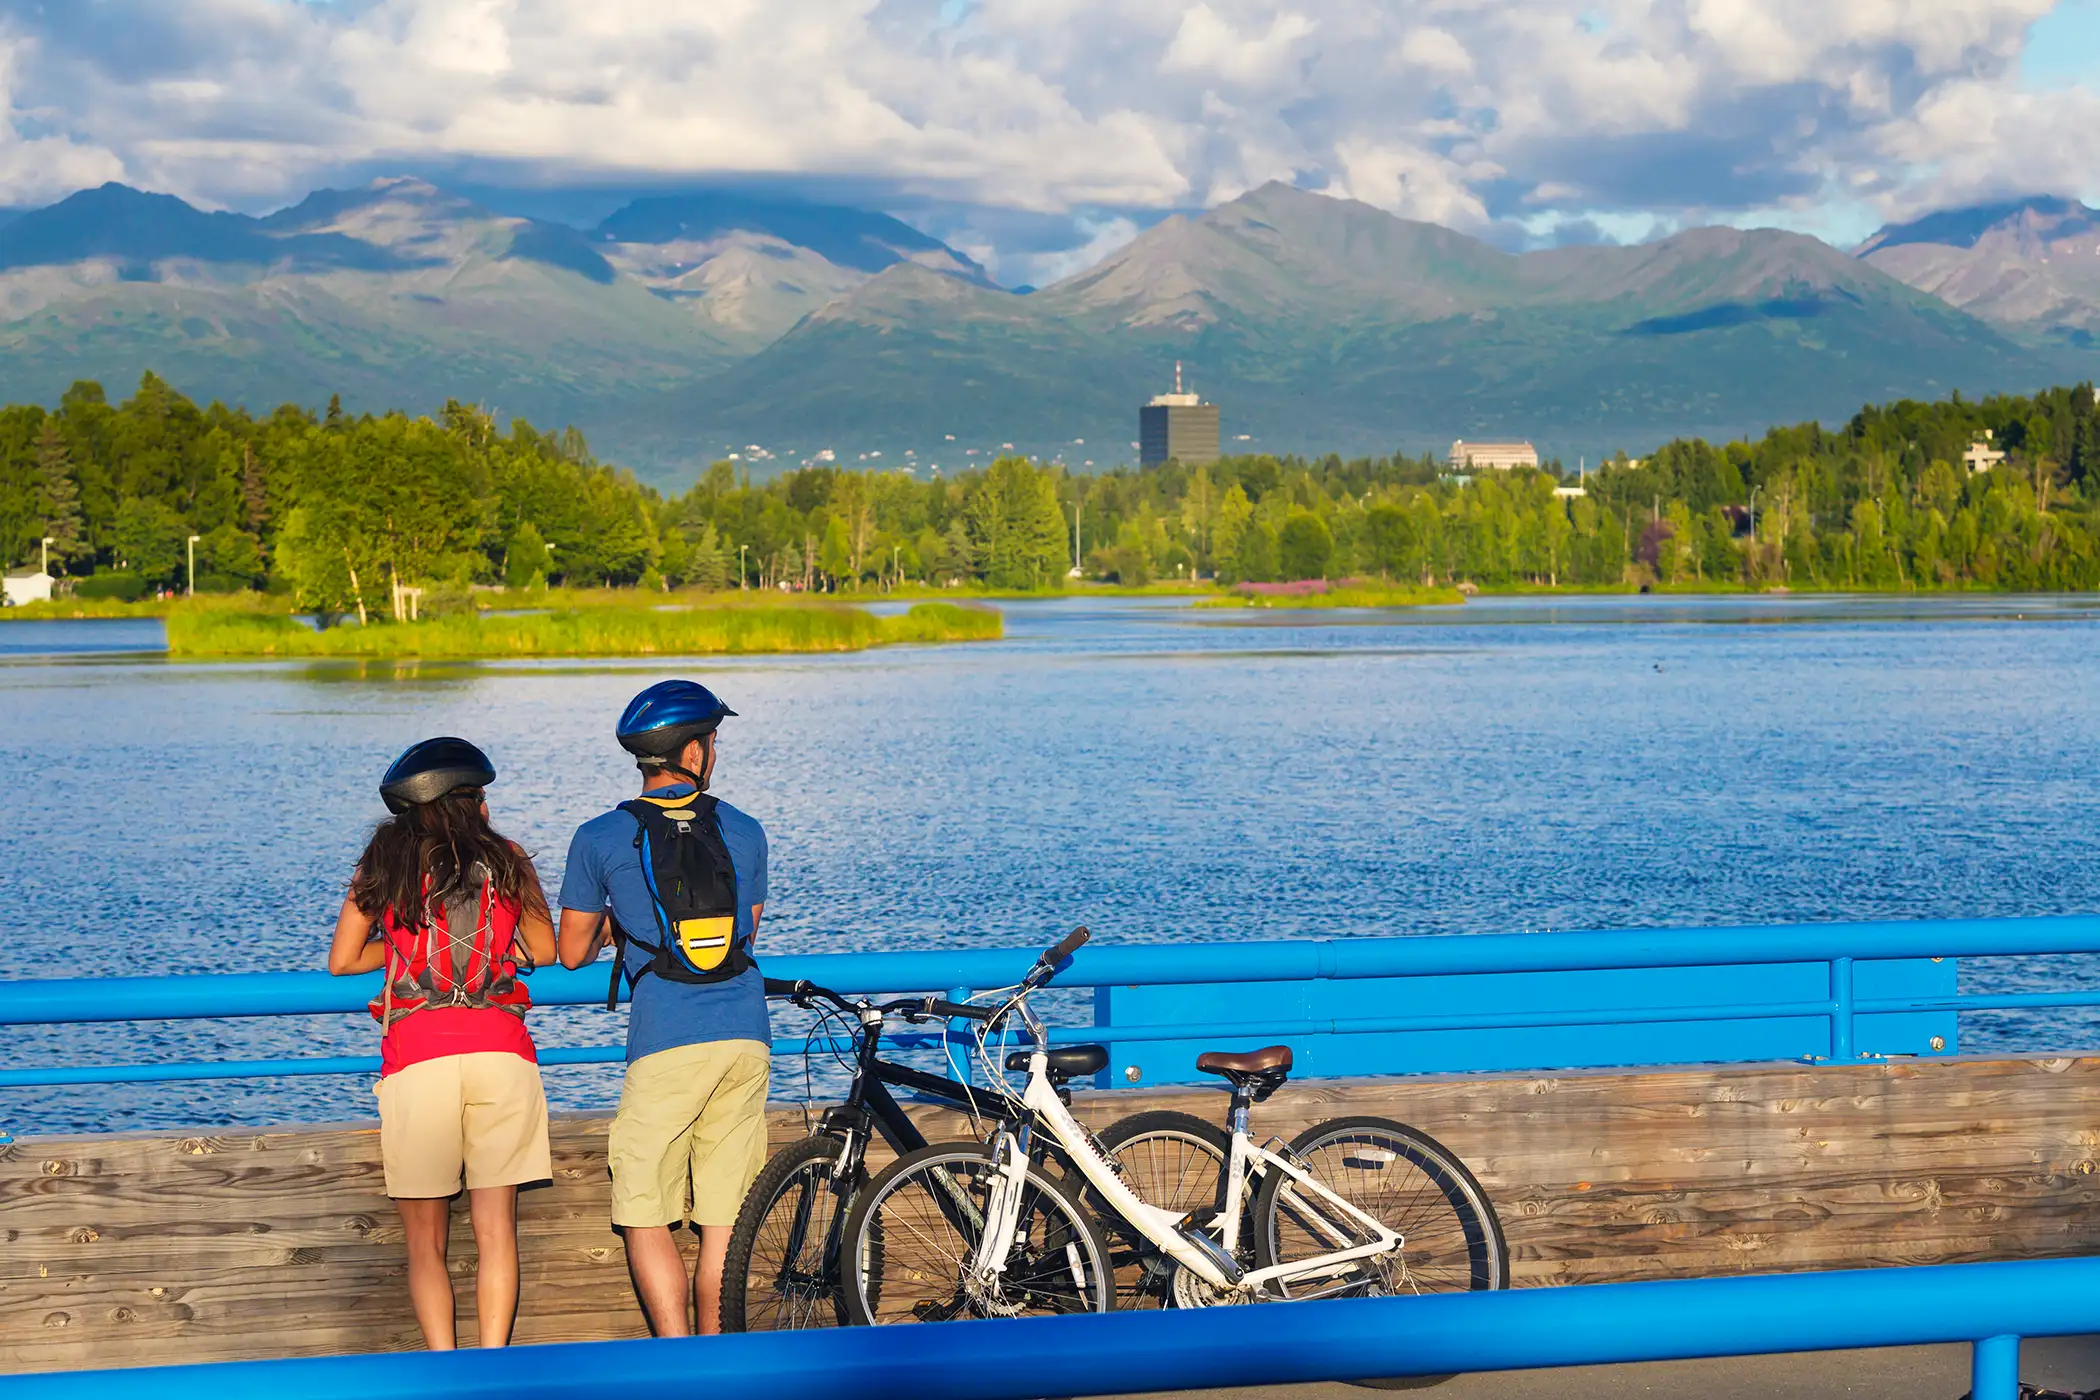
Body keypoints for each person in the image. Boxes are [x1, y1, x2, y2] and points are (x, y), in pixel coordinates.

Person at [327, 737, 557, 1350]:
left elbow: (343, 960)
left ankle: (445, 1369)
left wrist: (405, 949)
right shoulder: (508, 858)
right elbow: (546, 950)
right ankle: (493, 1368)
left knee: (425, 1242)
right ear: (471, 802)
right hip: (502, 1057)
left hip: (418, 1061)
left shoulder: (386, 860)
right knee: (495, 1234)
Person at [556, 680, 770, 1338]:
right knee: (724, 1217)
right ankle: (717, 1359)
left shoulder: (600, 836)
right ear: (696, 751)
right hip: (744, 1035)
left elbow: (569, 953)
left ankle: (676, 1362)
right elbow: (748, 934)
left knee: (645, 1208)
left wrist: (618, 929)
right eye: (714, 741)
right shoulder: (743, 828)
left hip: (665, 1039)